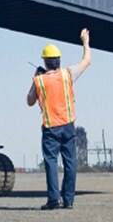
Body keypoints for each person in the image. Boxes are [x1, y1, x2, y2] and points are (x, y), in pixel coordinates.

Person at [27, 28, 91, 210]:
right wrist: (85, 41)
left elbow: (30, 102)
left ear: (45, 62)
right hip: (68, 126)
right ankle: (68, 200)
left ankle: (54, 200)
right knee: (70, 162)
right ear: (59, 60)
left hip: (50, 128)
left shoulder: (39, 80)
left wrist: (35, 79)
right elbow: (87, 61)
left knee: (51, 163)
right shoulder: (67, 74)